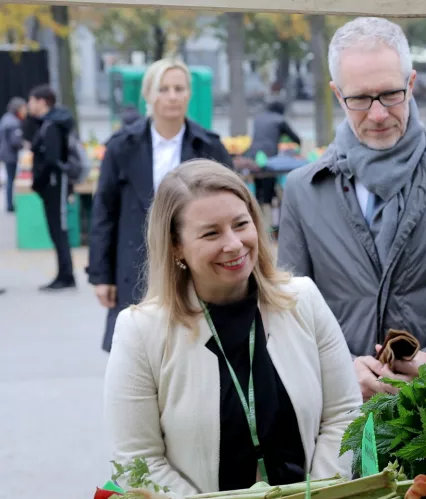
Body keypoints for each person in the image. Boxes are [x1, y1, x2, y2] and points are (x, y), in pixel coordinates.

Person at [279, 17, 426, 400]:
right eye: (359, 99)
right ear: (338, 95)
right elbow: (289, 312)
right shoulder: (303, 190)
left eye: (391, 94)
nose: (378, 115)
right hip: (342, 416)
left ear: (411, 83)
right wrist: (340, 369)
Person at [103, 159, 363, 495]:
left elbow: (345, 416)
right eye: (211, 233)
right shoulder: (140, 331)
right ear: (176, 245)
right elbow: (137, 460)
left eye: (241, 224)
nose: (234, 244)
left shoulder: (304, 300)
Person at [89, 58, 233, 353]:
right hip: (134, 261)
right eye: (163, 89)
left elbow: (231, 208)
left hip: (196, 262)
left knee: (194, 348)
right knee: (137, 349)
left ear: (188, 94)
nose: (172, 96)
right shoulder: (121, 147)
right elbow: (104, 212)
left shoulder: (209, 146)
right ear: (148, 95)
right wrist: (101, 276)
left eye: (179, 89)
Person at [27, 85, 77, 291]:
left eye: (31, 101)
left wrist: (38, 181)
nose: (29, 105)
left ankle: (66, 275)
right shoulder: (48, 124)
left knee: (59, 230)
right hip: (52, 185)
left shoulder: (52, 126)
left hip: (55, 186)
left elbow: (51, 160)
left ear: (42, 102)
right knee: (56, 230)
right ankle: (63, 273)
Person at [246, 100, 302, 234]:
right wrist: (298, 148)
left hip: (254, 157)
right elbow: (296, 138)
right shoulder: (279, 120)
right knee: (269, 192)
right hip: (269, 159)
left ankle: (258, 224)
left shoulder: (258, 118)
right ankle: (272, 226)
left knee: (259, 191)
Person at [1, 97, 26, 213]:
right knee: (11, 179)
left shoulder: (6, 118)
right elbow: (15, 141)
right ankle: (10, 204)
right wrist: (23, 144)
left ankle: (9, 203)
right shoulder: (13, 122)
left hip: (5, 153)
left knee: (9, 178)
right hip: (11, 154)